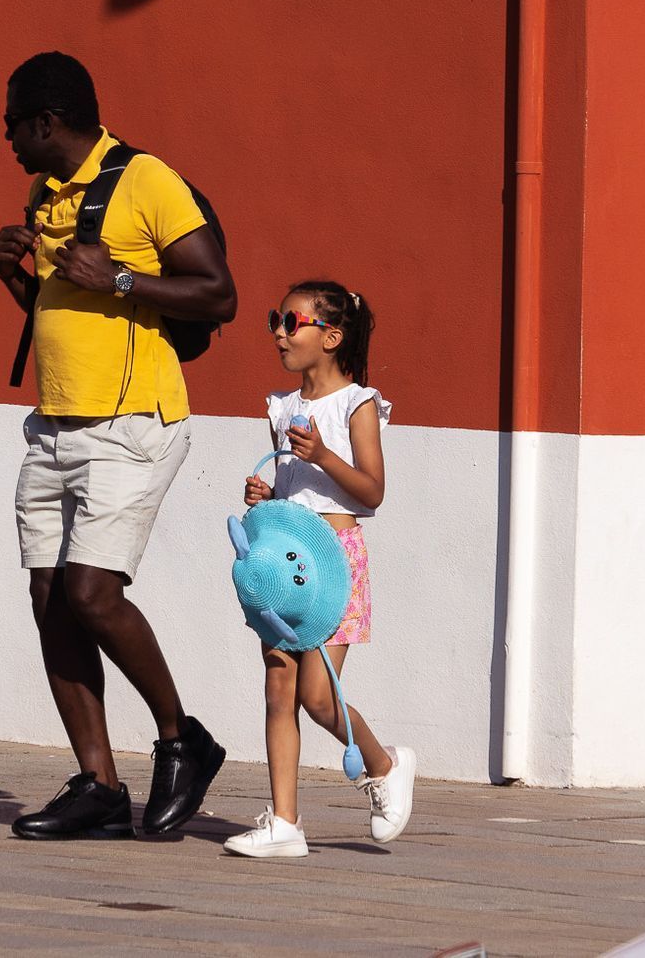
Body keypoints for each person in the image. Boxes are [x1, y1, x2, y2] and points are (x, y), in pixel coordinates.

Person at [0, 51, 237, 840]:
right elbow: (75, 308)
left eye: (13, 125)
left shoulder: (147, 180)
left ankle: (181, 739)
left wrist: (126, 281)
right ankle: (98, 784)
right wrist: (18, 282)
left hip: (133, 424)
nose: (8, 142)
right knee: (48, 600)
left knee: (93, 593)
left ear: (47, 121)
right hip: (56, 422)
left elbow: (217, 291)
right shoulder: (47, 193)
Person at [224, 280, 417, 858]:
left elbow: (372, 491)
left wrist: (323, 456)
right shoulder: (281, 408)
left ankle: (383, 764)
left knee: (317, 695)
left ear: (330, 337)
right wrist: (266, 493)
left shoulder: (357, 404)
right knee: (278, 685)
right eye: (275, 321)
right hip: (284, 562)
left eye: (291, 321)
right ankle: (284, 821)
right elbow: (290, 490)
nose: (279, 333)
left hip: (334, 564)